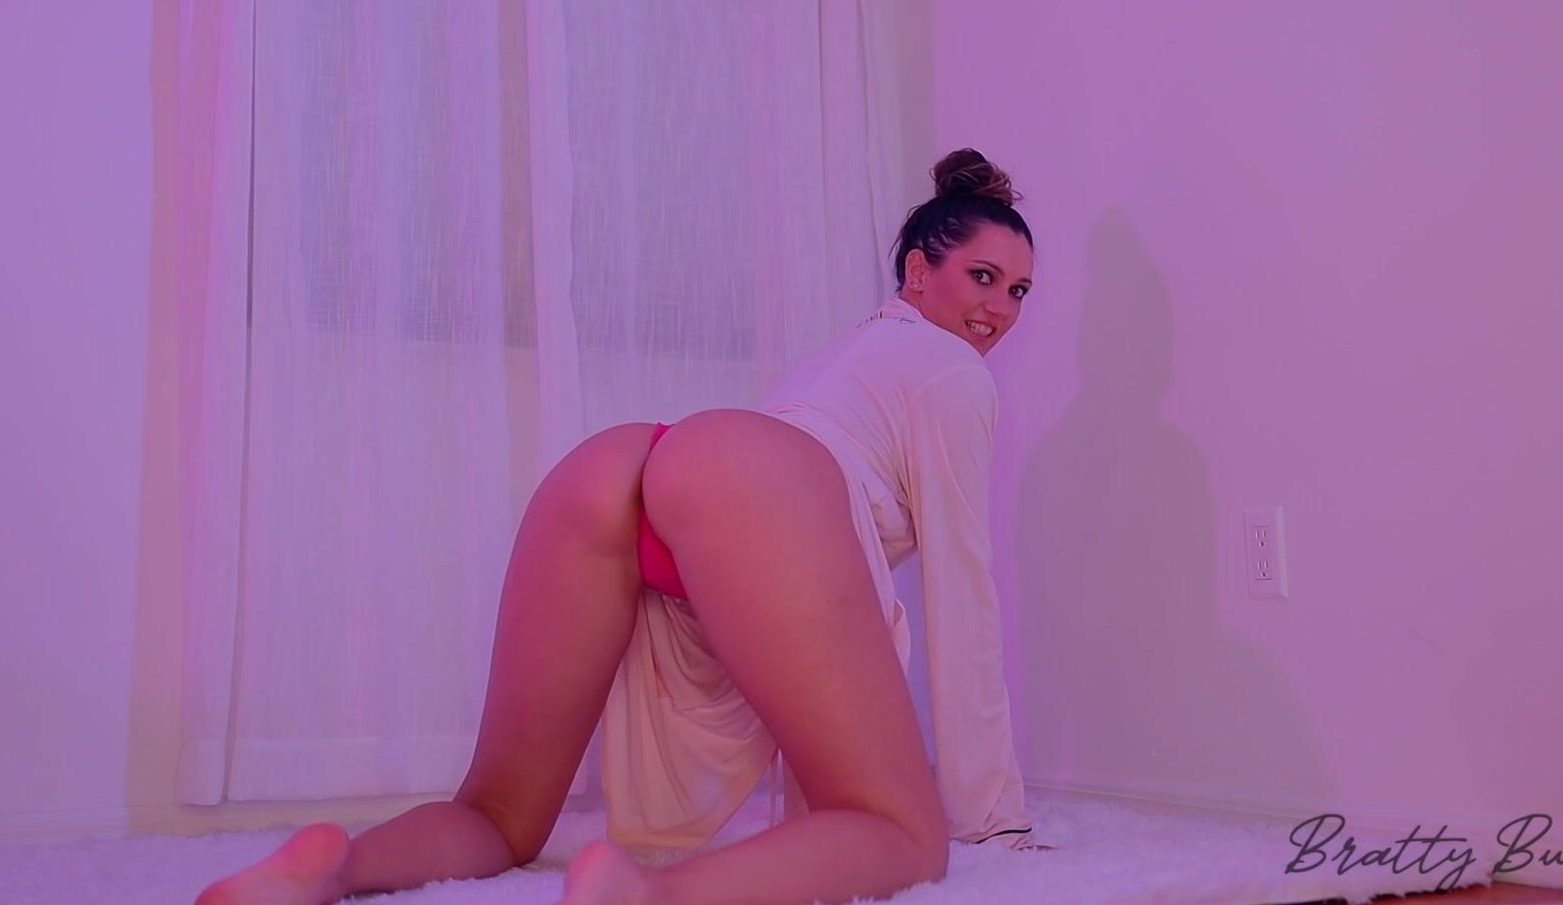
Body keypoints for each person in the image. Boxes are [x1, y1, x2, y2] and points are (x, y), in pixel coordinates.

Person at [197, 149, 1044, 905]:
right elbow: (963, 591)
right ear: (917, 270)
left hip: (621, 468)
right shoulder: (951, 373)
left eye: (1017, 291)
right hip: (744, 484)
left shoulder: (849, 357)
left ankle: (331, 869)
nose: (999, 308)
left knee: (496, 814)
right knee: (900, 833)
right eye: (982, 276)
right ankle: (644, 897)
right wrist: (993, 815)